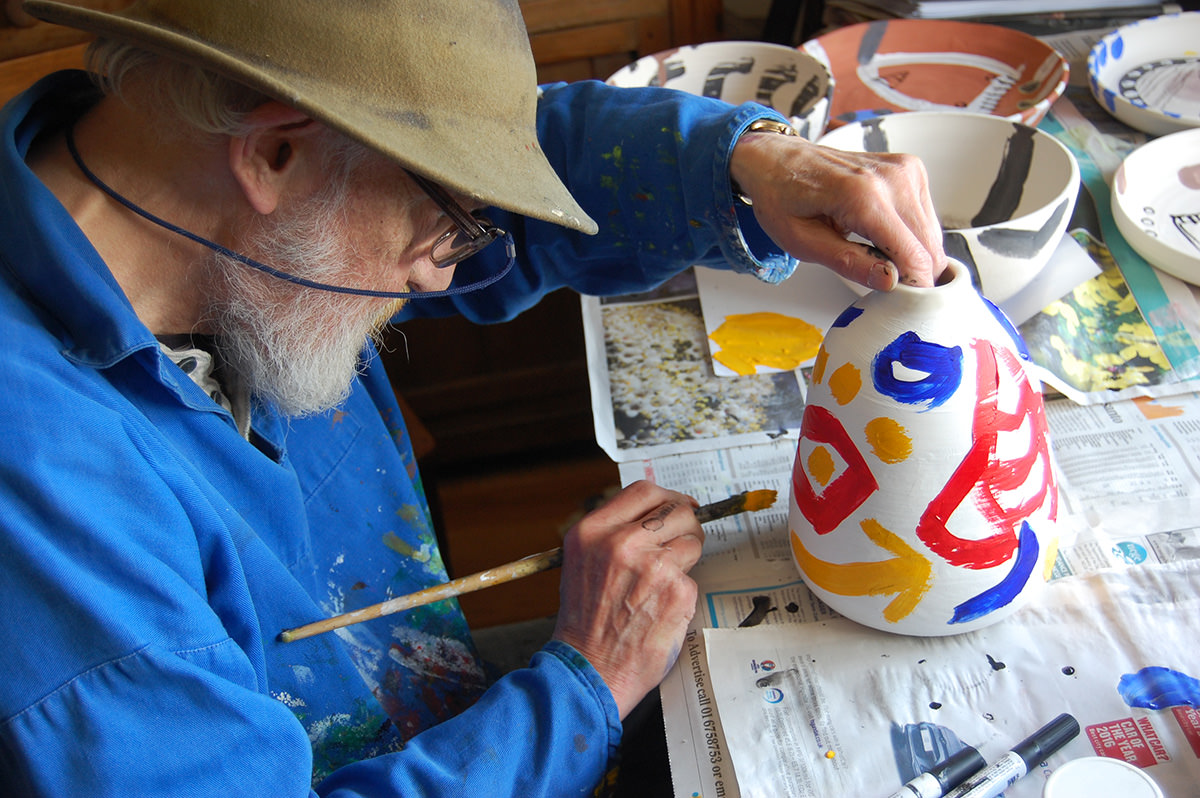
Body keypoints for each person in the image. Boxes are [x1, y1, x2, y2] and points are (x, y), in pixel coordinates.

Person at [0, 0, 945, 795]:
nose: (448, 275)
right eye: (449, 226)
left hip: (419, 692)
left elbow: (521, 170)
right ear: (275, 155)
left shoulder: (180, 196)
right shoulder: (45, 498)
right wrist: (585, 683)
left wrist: (751, 167)